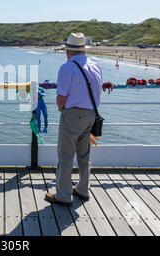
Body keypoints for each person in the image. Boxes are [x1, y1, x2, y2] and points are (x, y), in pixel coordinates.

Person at [45, 33, 103, 206]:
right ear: (84, 49)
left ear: (67, 50)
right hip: (91, 114)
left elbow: (61, 98)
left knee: (66, 155)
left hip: (73, 114)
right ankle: (83, 189)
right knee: (84, 155)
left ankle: (63, 195)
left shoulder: (67, 68)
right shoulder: (95, 66)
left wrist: (62, 110)